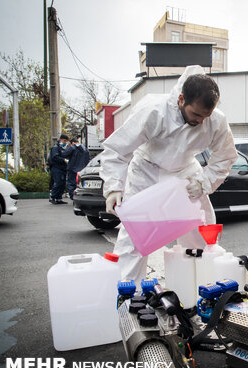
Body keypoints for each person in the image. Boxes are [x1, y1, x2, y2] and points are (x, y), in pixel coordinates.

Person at [100, 65, 238, 284]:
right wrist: (114, 187)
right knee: (135, 238)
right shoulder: (154, 111)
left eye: (206, 116)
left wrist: (204, 182)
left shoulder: (215, 120)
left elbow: (226, 156)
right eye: (196, 114)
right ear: (182, 99)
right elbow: (118, 149)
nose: (201, 121)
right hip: (147, 171)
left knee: (202, 233)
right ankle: (127, 297)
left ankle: (206, 288)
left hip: (186, 174)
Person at [61, 136, 90, 200]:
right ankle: (82, 197)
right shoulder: (85, 149)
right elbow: (88, 159)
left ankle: (73, 197)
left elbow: (63, 154)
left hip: (72, 169)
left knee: (71, 183)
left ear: (73, 143)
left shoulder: (72, 148)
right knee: (81, 184)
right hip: (82, 170)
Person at [48, 134, 69, 204]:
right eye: (64, 141)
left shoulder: (63, 149)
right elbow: (55, 157)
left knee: (62, 184)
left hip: (63, 168)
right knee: (58, 182)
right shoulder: (55, 148)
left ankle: (59, 198)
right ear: (60, 140)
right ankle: (52, 196)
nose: (65, 143)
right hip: (56, 168)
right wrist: (64, 160)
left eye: (66, 141)